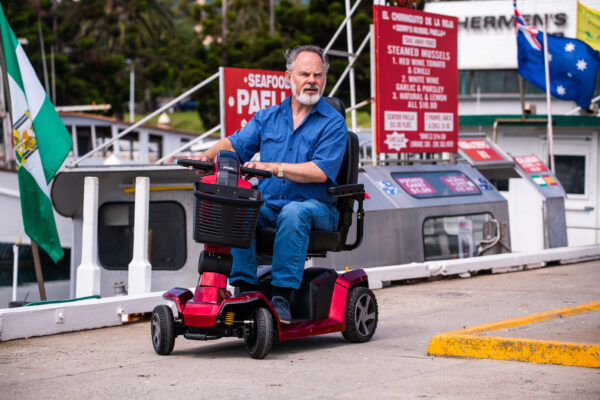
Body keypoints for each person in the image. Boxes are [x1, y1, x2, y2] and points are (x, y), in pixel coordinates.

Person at [194, 45, 347, 323]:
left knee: (294, 212)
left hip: (317, 209)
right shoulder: (268, 117)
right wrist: (206, 155)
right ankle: (245, 291)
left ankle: (281, 298)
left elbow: (319, 171)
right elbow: (235, 144)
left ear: (324, 79)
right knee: (242, 206)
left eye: (318, 75)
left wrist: (273, 168)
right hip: (271, 206)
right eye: (304, 74)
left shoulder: (333, 123)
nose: (312, 81)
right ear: (288, 77)